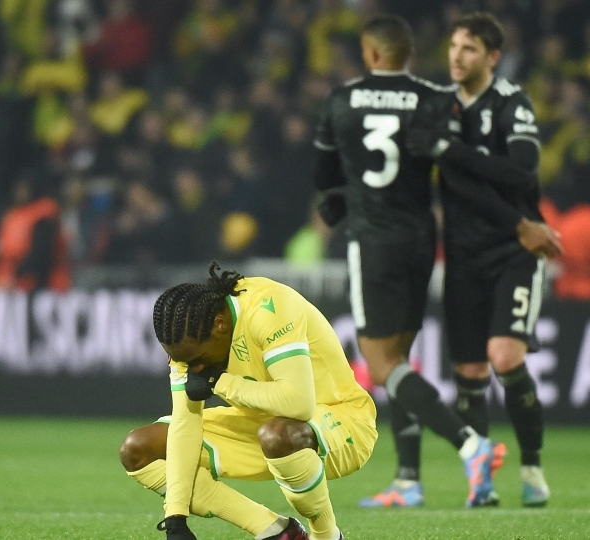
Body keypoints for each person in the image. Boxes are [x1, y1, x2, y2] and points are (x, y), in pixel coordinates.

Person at [312, 15, 505, 509]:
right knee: (399, 356)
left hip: (373, 240)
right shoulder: (434, 99)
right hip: (420, 239)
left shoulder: (342, 100)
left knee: (379, 365)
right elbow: (458, 164)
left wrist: (337, 201)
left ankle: (471, 445)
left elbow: (324, 175)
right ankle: (408, 480)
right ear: (407, 53)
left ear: (371, 53)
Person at [408, 12, 560, 508]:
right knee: (469, 372)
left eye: (469, 49)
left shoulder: (512, 104)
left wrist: (450, 150)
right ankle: (483, 479)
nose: (457, 56)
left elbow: (521, 175)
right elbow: (456, 178)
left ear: (492, 57)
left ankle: (533, 466)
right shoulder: (438, 104)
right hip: (464, 257)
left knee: (504, 357)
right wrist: (453, 156)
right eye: (454, 46)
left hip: (516, 252)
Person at [120, 262, 378, 540]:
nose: (194, 370)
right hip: (261, 426)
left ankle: (326, 535)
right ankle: (276, 532)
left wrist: (221, 382)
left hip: (342, 423)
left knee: (278, 433)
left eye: (196, 361)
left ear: (220, 325)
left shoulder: (268, 308)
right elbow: (186, 425)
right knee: (140, 449)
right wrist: (176, 518)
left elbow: (298, 403)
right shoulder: (189, 339)